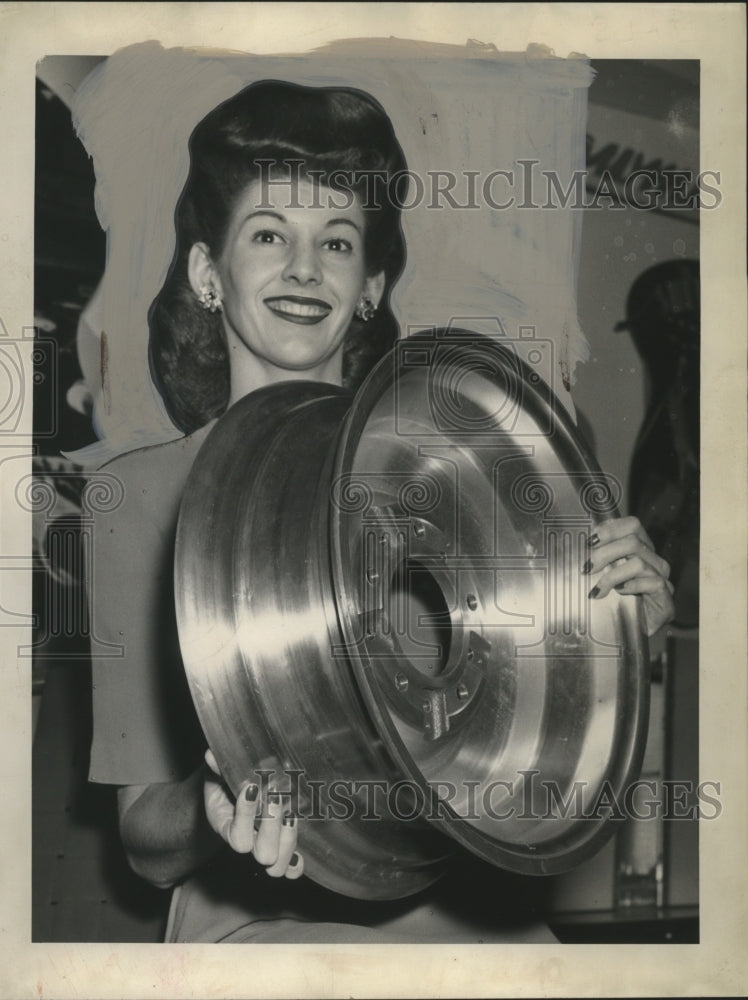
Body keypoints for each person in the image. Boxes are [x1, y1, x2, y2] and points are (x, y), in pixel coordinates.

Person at [88, 80, 675, 943]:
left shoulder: (456, 463)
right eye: (267, 236)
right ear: (209, 273)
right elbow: (145, 842)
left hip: (470, 914)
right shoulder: (136, 499)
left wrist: (621, 641)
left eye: (337, 241)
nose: (303, 268)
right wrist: (213, 813)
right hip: (265, 927)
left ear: (370, 285)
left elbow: (534, 741)